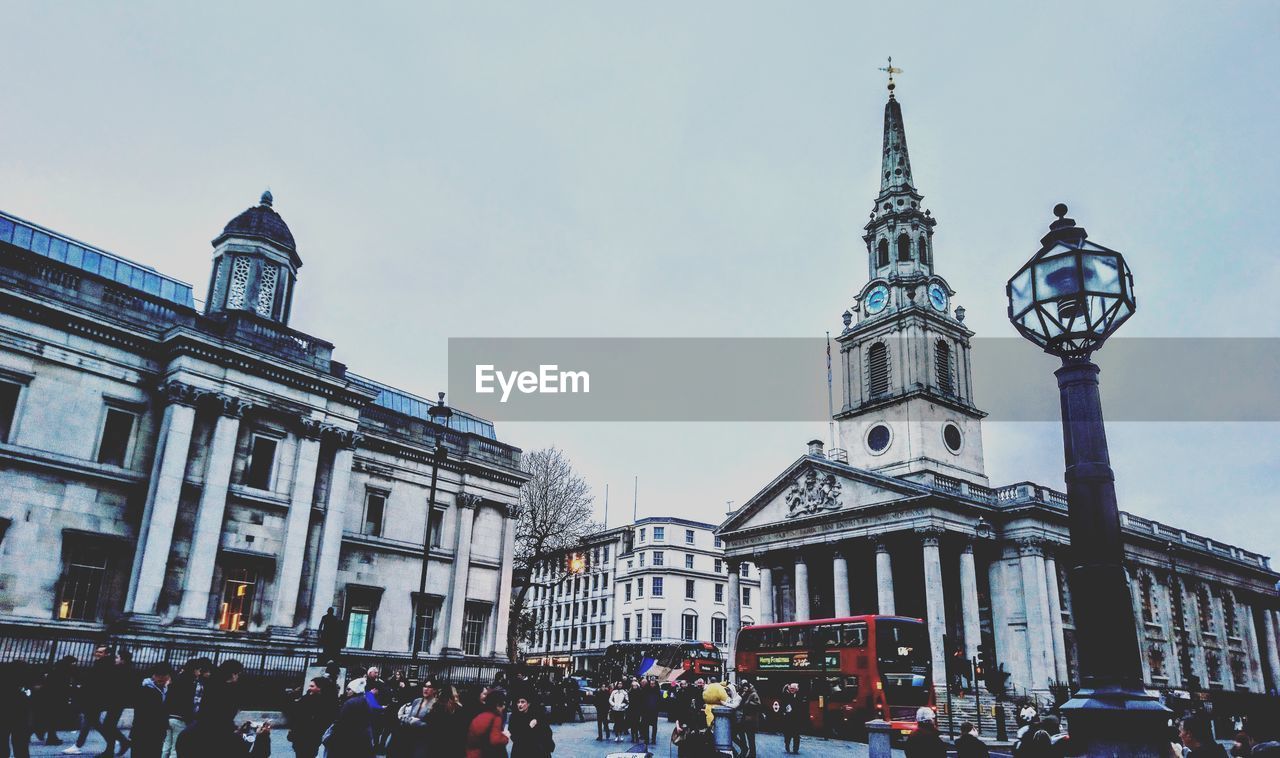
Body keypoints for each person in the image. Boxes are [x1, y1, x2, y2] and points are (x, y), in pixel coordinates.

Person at [163, 657, 213, 758]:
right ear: (193, 670)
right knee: (175, 749)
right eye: (198, 670)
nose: (199, 673)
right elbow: (193, 703)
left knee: (166, 747)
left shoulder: (176, 679)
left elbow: (167, 698)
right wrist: (191, 718)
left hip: (169, 717)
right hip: (181, 719)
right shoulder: (194, 683)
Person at [286, 677, 337, 758]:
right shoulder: (306, 698)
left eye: (312, 686)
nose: (309, 688)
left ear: (320, 688)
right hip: (300, 735)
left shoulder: (324, 703)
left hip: (311, 737)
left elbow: (323, 721)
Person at [131, 662, 173, 758]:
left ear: (168, 676)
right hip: (142, 733)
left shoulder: (165, 690)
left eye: (163, 675)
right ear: (153, 675)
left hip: (156, 735)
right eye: (157, 675)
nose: (160, 678)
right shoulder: (145, 689)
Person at [33, 655, 75, 747]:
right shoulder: (64, 672)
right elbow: (62, 687)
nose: (74, 665)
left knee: (51, 718)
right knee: (53, 719)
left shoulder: (57, 668)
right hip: (56, 699)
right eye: (73, 663)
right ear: (70, 663)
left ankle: (49, 736)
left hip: (50, 698)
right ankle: (48, 736)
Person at [390, 678, 438, 758]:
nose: (426, 689)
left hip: (424, 741)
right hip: (410, 737)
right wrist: (406, 719)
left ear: (435, 690)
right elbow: (410, 716)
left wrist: (420, 724)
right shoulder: (417, 701)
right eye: (425, 686)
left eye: (429, 687)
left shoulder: (436, 705)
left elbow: (435, 726)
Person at [0, 661, 34, 758]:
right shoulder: (21, 692)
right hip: (19, 715)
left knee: (2, 742)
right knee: (21, 744)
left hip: (3, 715)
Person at [465, 687, 509, 758]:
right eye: (503, 704)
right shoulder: (496, 717)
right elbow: (495, 740)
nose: (504, 707)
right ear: (498, 705)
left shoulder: (481, 714)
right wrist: (506, 738)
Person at [426, 684, 468, 758]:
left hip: (436, 747)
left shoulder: (436, 709)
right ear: (449, 696)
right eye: (455, 692)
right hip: (450, 748)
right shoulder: (457, 711)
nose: (457, 694)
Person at [733, 679, 761, 758]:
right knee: (742, 735)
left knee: (750, 738)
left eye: (745, 686)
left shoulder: (753, 694)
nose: (744, 688)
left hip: (750, 719)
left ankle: (752, 754)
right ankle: (745, 750)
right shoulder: (744, 693)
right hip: (744, 719)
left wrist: (749, 703)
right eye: (743, 686)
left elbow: (758, 704)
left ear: (748, 686)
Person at [778, 683, 805, 755]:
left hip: (797, 719)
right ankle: (787, 745)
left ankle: (795, 749)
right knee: (788, 734)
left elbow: (802, 707)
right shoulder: (786, 695)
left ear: (797, 689)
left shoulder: (800, 696)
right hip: (788, 718)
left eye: (793, 689)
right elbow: (782, 705)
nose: (792, 690)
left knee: (796, 735)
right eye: (791, 688)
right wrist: (784, 711)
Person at [639, 678, 661, 745]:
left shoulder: (657, 690)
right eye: (651, 683)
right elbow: (642, 700)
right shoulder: (645, 690)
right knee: (646, 726)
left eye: (653, 684)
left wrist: (658, 708)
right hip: (646, 711)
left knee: (654, 726)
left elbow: (659, 701)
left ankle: (653, 739)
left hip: (654, 711)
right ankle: (647, 739)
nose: (652, 685)